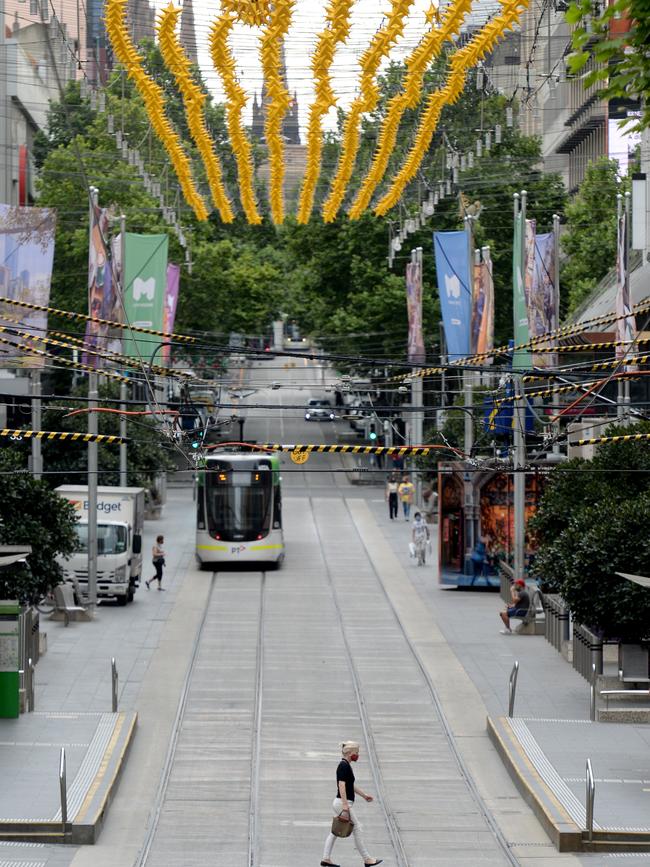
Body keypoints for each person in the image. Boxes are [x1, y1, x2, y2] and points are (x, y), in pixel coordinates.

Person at [321, 741, 383, 867]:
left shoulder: (346, 765)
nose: (357, 755)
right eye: (356, 753)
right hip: (342, 804)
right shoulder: (343, 766)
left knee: (335, 831)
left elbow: (350, 785)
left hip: (341, 803)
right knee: (357, 829)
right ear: (350, 753)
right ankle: (367, 859)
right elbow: (342, 785)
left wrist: (364, 795)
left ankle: (326, 859)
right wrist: (345, 806)